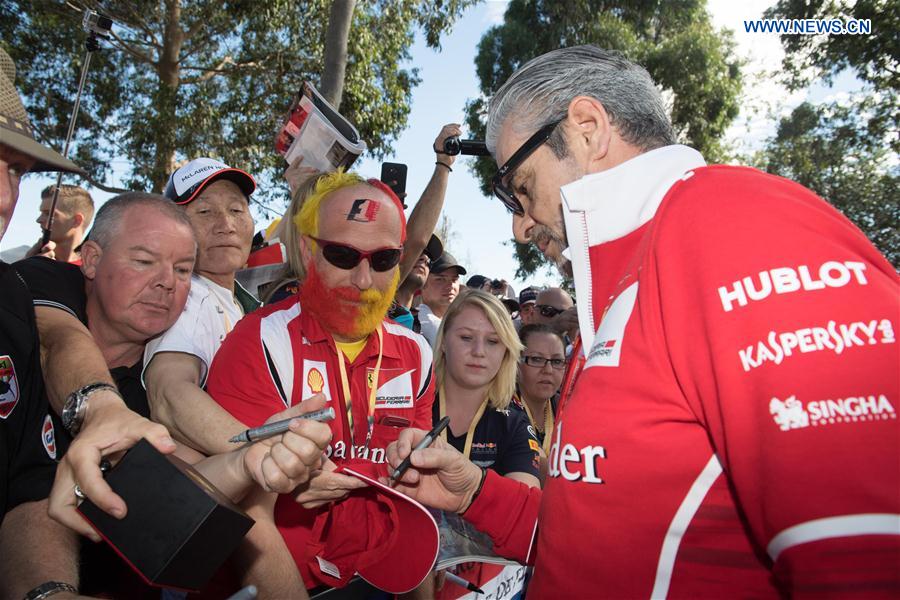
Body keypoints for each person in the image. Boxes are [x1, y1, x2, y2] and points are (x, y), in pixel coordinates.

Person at [387, 45, 899, 598]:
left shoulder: (732, 227)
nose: (520, 226)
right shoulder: (624, 284)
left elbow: (869, 562)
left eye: (519, 187)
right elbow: (598, 538)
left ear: (586, 128)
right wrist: (474, 496)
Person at [16, 192, 331, 597]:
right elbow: (59, 340)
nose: (166, 282)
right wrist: (100, 407)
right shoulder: (47, 283)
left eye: (183, 270)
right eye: (144, 261)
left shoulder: (158, 388)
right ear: (92, 259)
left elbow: (175, 490)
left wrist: (249, 460)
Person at [205, 170, 435, 596]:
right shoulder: (260, 340)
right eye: (343, 256)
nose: (363, 281)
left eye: (383, 260)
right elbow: (245, 511)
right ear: (309, 252)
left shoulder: (418, 352)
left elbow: (415, 494)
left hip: (384, 574)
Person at [424, 289, 539, 599]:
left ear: (506, 351)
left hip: (493, 586)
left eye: (492, 341)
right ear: (444, 341)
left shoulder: (513, 420)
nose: (479, 351)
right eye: (466, 338)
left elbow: (526, 508)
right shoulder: (414, 404)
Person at [144, 157, 263, 455]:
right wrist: (262, 454)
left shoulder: (237, 301)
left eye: (236, 210)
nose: (226, 225)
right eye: (205, 212)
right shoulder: (190, 296)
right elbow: (169, 396)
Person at [514, 323, 565, 459]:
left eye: (557, 361)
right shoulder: (501, 413)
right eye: (537, 359)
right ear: (516, 363)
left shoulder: (567, 411)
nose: (548, 370)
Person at [25, 184, 94, 262]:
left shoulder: (93, 271)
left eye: (48, 214)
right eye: (41, 213)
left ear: (76, 220)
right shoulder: (31, 261)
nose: (39, 220)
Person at [389, 233, 443, 331]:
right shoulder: (376, 309)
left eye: (429, 258)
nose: (425, 258)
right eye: (417, 252)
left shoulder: (425, 327)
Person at [418, 251, 466, 346]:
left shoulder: (461, 322)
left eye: (454, 279)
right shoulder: (419, 323)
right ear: (423, 283)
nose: (450, 285)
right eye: (440, 279)